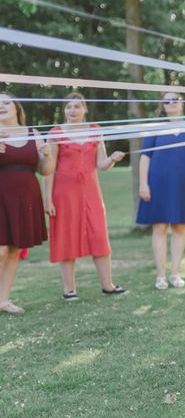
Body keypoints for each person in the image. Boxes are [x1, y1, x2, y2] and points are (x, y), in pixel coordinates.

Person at [43, 93, 127, 300]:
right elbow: (48, 168)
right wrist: (47, 199)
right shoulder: (55, 133)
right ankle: (69, 289)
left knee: (98, 235)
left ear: (85, 109)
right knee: (67, 236)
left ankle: (108, 285)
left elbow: (101, 165)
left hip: (90, 191)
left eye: (77, 106)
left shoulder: (95, 131)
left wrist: (113, 159)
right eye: (69, 107)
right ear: (64, 110)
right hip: (64, 192)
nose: (73, 110)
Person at [137, 92, 185, 290]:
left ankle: (176, 273)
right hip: (157, 183)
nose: (171, 103)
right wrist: (143, 184)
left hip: (183, 184)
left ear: (181, 102)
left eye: (175, 99)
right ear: (162, 106)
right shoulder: (155, 128)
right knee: (159, 228)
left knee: (179, 228)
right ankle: (160, 275)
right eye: (167, 101)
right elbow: (145, 158)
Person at [0, 93, 54, 313]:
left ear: (17, 107)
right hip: (0, 195)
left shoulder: (34, 133)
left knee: (14, 250)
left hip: (25, 196)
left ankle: (3, 301)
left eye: (6, 102)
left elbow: (45, 170)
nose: (1, 106)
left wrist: (48, 156)